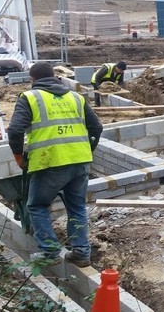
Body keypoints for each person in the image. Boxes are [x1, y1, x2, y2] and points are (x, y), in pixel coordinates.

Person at [7, 62, 103, 267]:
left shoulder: (30, 97)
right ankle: (81, 253)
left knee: (37, 205)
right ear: (55, 77)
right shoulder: (76, 97)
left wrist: (18, 158)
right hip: (80, 161)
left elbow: (15, 131)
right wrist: (87, 151)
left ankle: (50, 251)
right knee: (76, 207)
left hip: (50, 162)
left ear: (32, 80)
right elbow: (97, 128)